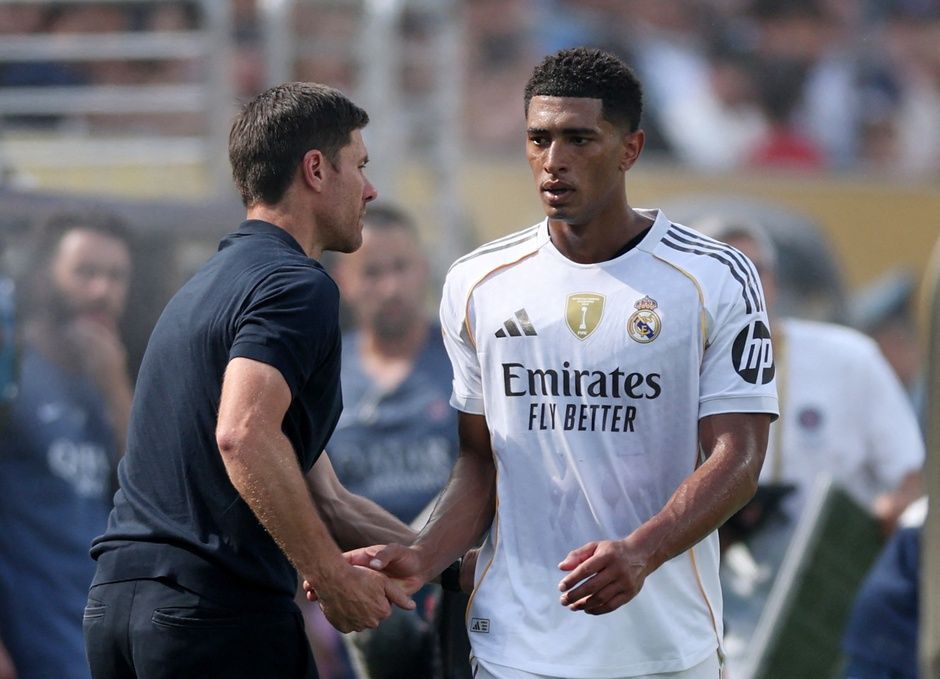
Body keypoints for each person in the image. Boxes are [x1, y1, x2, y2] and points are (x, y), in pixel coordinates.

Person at [338, 47, 779, 679]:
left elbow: (738, 458)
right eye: (538, 139)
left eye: (579, 139)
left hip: (661, 648)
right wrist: (424, 554)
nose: (553, 161)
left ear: (630, 148)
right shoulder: (478, 282)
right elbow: (482, 459)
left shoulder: (713, 277)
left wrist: (641, 553)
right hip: (515, 648)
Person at [84, 82, 418, 679]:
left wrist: (450, 563)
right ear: (316, 169)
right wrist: (331, 575)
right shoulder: (298, 285)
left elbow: (327, 497)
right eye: (360, 166)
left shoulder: (204, 288)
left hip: (118, 611)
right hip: (213, 618)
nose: (370, 190)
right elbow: (243, 434)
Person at [694, 218, 925, 667]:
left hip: (831, 601)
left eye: (753, 270)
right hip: (718, 604)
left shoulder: (848, 358)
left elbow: (909, 480)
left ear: (775, 281)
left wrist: (877, 523)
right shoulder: (670, 368)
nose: (742, 286)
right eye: (721, 271)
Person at [325, 204, 472, 679]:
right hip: (354, 613)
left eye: (401, 268)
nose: (390, 287)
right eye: (372, 272)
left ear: (424, 270)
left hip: (454, 605)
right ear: (344, 279)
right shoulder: (322, 372)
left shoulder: (464, 364)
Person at [0, 211, 135, 679]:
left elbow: (153, 495)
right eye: (85, 273)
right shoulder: (12, 368)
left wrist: (116, 389)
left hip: (97, 637)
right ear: (44, 277)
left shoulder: (115, 386)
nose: (102, 290)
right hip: (30, 637)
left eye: (116, 277)